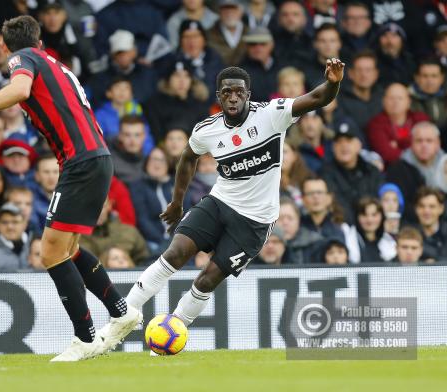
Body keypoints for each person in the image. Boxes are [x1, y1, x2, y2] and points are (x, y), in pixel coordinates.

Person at [0, 15, 139, 362]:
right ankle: (121, 311)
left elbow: (19, 90)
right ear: (41, 41)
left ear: (4, 47)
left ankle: (85, 337)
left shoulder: (22, 58)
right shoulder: (54, 63)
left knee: (50, 252)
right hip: (96, 158)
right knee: (68, 247)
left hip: (82, 161)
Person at [109, 60, 345, 347]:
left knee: (207, 280)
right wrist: (176, 202)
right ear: (218, 96)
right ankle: (119, 321)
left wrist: (333, 82)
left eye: (238, 92)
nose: (233, 97)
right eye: (226, 93)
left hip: (255, 221)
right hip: (220, 202)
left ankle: (171, 335)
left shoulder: (273, 114)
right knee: (175, 253)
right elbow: (187, 158)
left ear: (248, 94)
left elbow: (318, 98)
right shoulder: (207, 130)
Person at [319, 126, 383, 223]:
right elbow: (335, 205)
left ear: (359, 145)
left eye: (349, 141)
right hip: (341, 226)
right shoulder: (324, 173)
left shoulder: (372, 171)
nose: (344, 146)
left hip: (371, 225)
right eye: (339, 142)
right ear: (333, 147)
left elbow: (379, 201)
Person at [367, 83, 430, 164]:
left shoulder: (420, 119)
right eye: (391, 98)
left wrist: (398, 143)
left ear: (408, 102)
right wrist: (414, 147)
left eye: (400, 98)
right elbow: (387, 154)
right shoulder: (375, 124)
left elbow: (431, 147)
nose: (395, 102)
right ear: (383, 101)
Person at [79, 198, 149, 265]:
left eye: (102, 207)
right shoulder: (77, 237)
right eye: (91, 208)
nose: (97, 212)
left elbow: (145, 261)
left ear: (109, 206)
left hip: (129, 276)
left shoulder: (129, 231)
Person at [0, 202, 31, 271]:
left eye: (15, 222)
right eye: (5, 222)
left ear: (25, 224)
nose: (10, 227)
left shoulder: (37, 245)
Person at [277, 197, 322, 264]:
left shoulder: (316, 244)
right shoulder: (263, 245)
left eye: (290, 218)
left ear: (298, 220)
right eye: (280, 218)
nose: (285, 223)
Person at [355, 197, 397, 262]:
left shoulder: (390, 242)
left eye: (374, 215)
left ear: (382, 217)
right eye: (364, 215)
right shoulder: (349, 240)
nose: (369, 220)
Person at [414, 186, 447, 261]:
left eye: (432, 207)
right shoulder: (408, 234)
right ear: (416, 209)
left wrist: (436, 262)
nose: (426, 211)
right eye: (422, 206)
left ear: (441, 209)